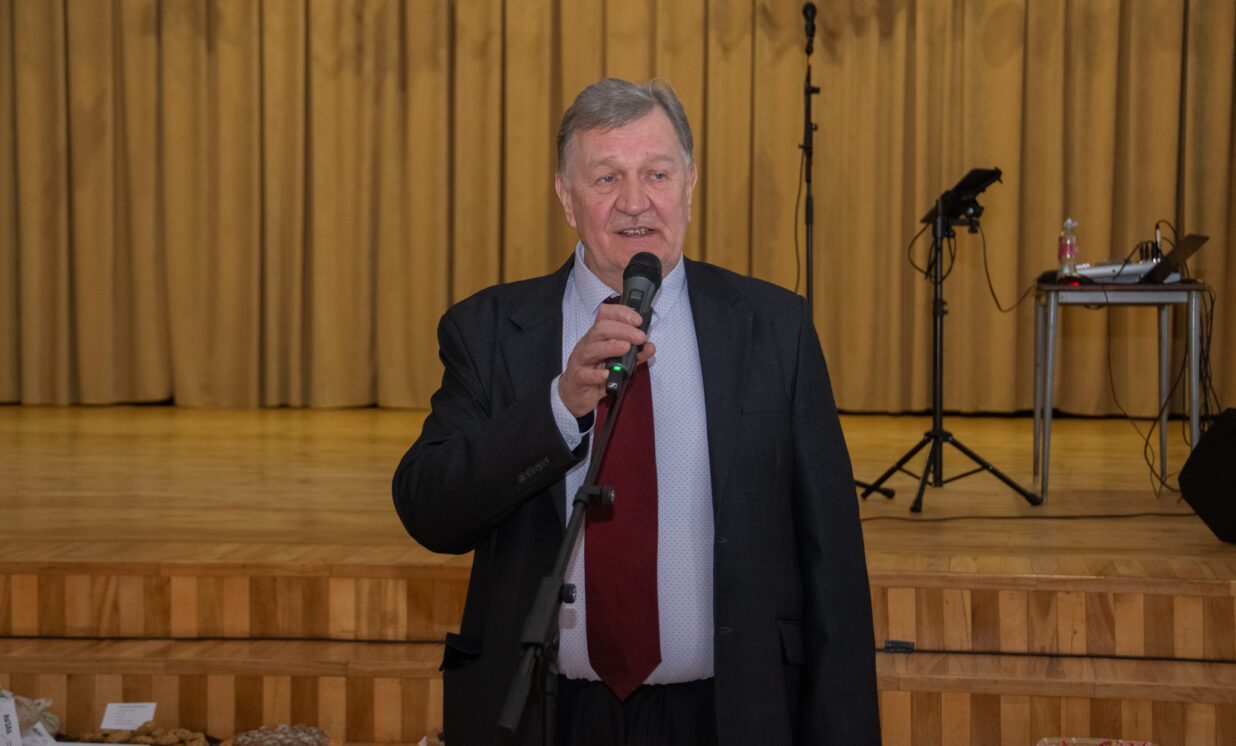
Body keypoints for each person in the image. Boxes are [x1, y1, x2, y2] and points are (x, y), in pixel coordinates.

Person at [393, 78, 879, 745]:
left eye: (656, 173)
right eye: (606, 178)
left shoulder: (776, 330)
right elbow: (430, 509)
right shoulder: (489, 331)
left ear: (690, 184)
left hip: (730, 716)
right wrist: (558, 407)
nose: (634, 201)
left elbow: (834, 566)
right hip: (549, 717)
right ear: (566, 198)